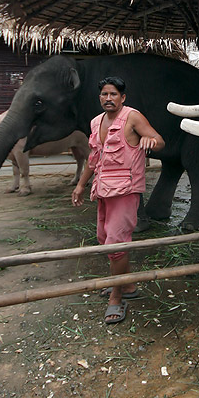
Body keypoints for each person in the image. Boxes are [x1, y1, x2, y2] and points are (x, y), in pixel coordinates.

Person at [72, 77, 164, 325]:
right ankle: (128, 284)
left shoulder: (133, 117)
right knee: (104, 239)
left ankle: (116, 296)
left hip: (125, 191)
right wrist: (81, 185)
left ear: (123, 98)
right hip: (103, 190)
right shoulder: (96, 122)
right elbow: (94, 158)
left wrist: (149, 142)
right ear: (99, 97)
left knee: (115, 243)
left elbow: (159, 140)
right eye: (104, 94)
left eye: (113, 94)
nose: (108, 98)